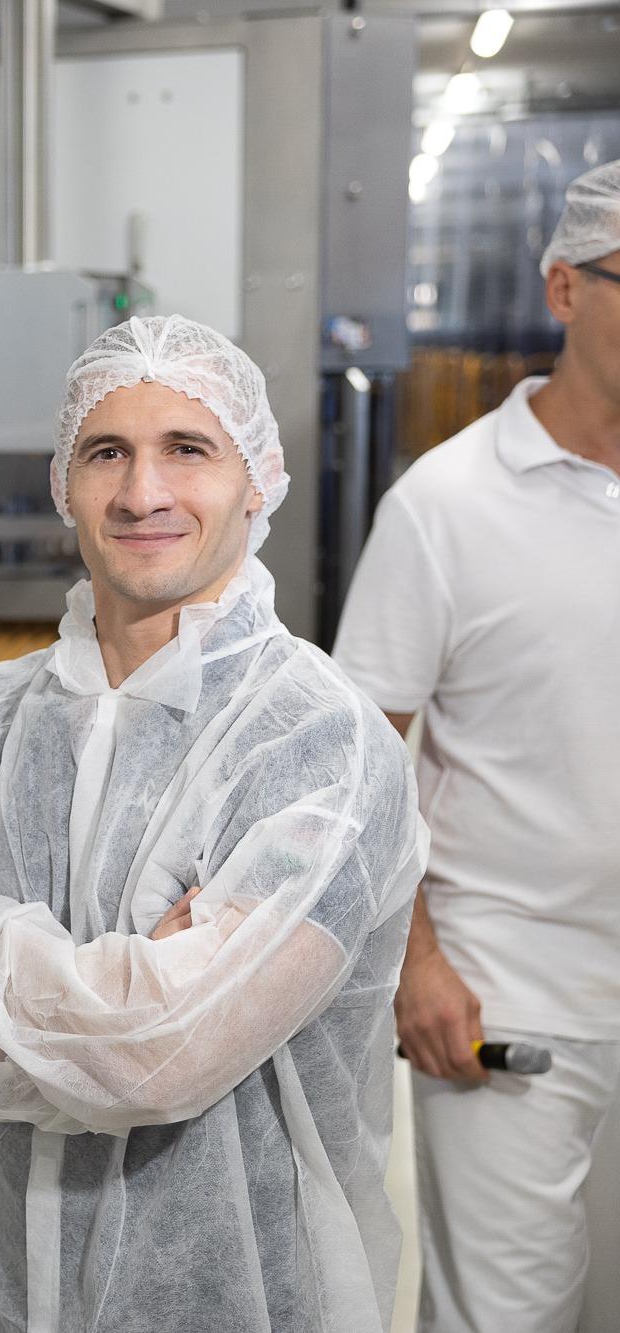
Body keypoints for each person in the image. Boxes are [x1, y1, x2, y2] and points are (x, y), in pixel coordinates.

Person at [0, 314, 428, 1332]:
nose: (141, 493)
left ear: (256, 478)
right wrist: (114, 991)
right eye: (106, 453)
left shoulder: (319, 741)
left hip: (237, 1292)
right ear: (62, 482)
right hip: (5, 1279)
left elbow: (160, 1057)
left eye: (188, 449)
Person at [333, 159, 620, 1333]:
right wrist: (415, 962)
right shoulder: (445, 505)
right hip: (510, 998)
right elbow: (354, 761)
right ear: (563, 288)